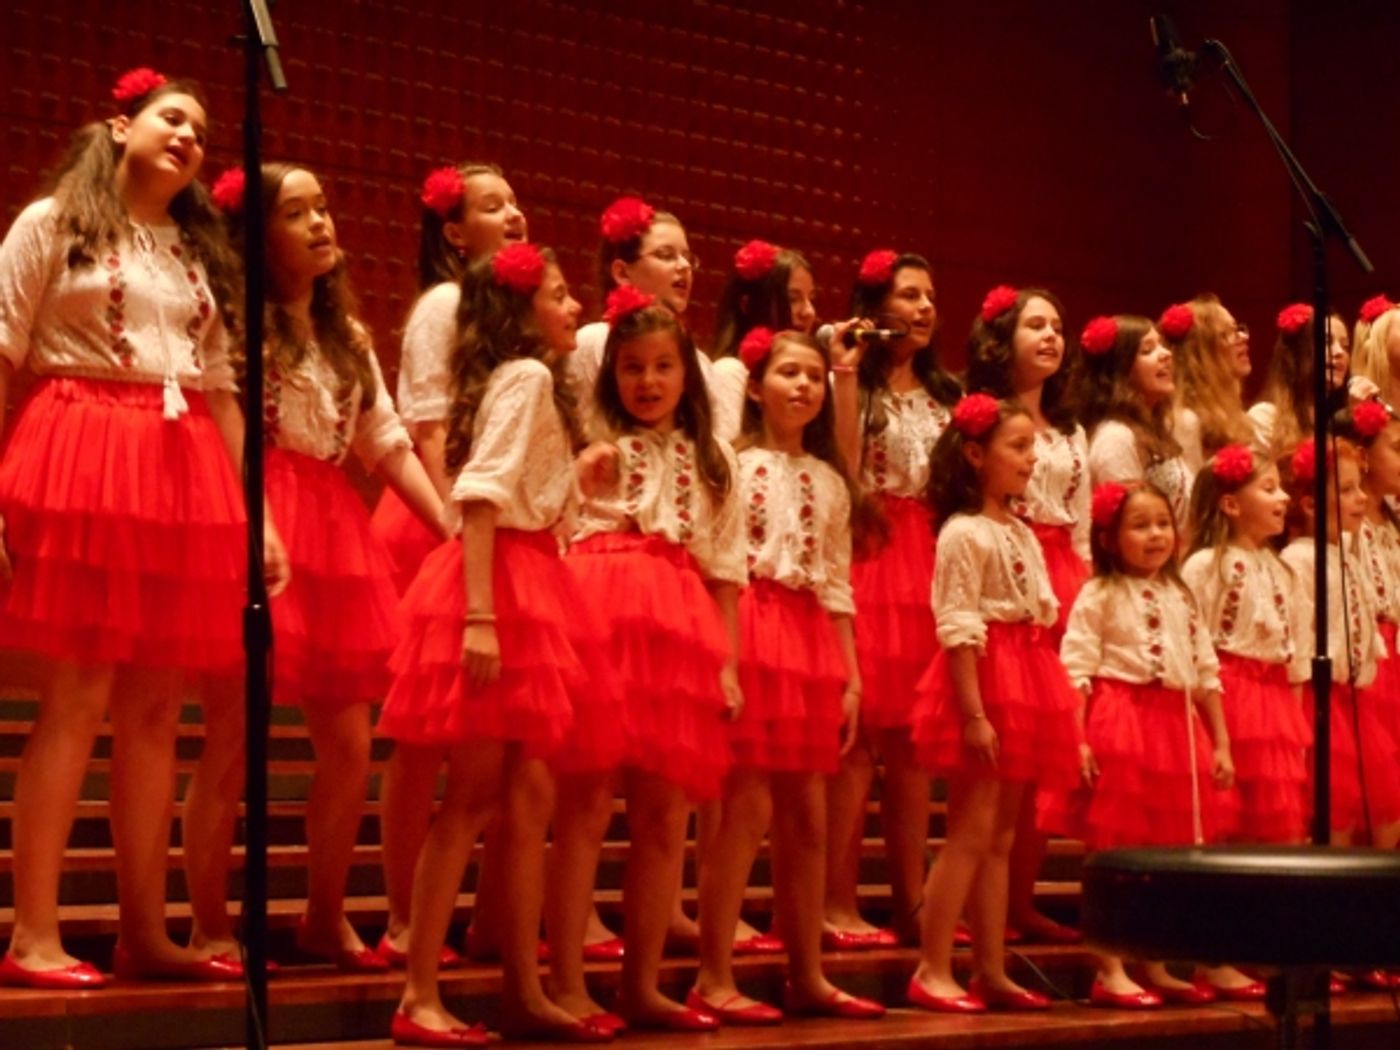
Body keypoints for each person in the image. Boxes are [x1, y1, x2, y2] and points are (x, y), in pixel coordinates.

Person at [0, 67, 287, 988]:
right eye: (173, 117)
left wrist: (257, 517)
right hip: (80, 450)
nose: (190, 136)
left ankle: (143, 930)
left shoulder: (200, 252)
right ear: (119, 126)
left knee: (158, 708)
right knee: (77, 695)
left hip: (180, 469)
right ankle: (33, 934)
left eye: (201, 129)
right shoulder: (51, 224)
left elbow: (221, 391)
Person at [183, 162, 444, 971]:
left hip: (334, 529)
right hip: (252, 510)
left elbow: (387, 441)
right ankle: (207, 924)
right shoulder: (232, 321)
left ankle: (323, 914)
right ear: (259, 234)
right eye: (297, 213)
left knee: (351, 742)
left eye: (323, 207)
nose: (321, 223)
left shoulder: (348, 339)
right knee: (234, 733)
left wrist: (448, 531)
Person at [375, 243, 611, 1045]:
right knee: (473, 794)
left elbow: (524, 489)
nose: (574, 306)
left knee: (524, 797)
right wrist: (479, 615)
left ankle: (524, 986)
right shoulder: (529, 377)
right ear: (521, 310)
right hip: (499, 586)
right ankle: (418, 995)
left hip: (529, 576)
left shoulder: (533, 382)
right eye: (558, 293)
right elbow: (478, 497)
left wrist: (582, 480)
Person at [551, 289, 742, 1033]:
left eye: (664, 367)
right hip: (597, 612)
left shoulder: (711, 459)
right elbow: (555, 524)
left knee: (665, 816)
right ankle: (567, 982)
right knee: (587, 808)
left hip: (678, 627)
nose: (649, 382)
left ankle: (643, 984)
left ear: (687, 378)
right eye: (633, 367)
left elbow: (724, 571)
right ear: (612, 375)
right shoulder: (591, 446)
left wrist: (726, 664)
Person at [690, 328, 884, 1024]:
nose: (803, 386)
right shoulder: (732, 466)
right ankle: (713, 974)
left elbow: (836, 585)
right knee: (745, 811)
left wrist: (853, 675)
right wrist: (728, 660)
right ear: (756, 386)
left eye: (813, 376)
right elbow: (719, 565)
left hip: (810, 641)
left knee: (808, 817)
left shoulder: (832, 482)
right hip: (752, 625)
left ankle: (808, 973)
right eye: (787, 373)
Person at [370, 161, 527, 968]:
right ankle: (402, 913)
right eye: (493, 206)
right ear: (454, 231)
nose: (516, 215)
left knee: (483, 741)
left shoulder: (513, 315)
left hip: (490, 525)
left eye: (515, 202)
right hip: (435, 521)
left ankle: (466, 917)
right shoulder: (444, 304)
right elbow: (426, 428)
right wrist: (452, 534)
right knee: (422, 738)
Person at [906, 395, 1079, 1014]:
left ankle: (990, 968)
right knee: (970, 832)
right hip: (987, 679)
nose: (1031, 459)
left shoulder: (1019, 531)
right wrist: (974, 714)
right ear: (976, 455)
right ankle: (931, 967)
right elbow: (957, 625)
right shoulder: (964, 531)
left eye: (1033, 446)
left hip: (1027, 674)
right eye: (1018, 446)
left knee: (1002, 836)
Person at [1058, 479, 1246, 1006]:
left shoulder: (1179, 594)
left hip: (1175, 725)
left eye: (1163, 523)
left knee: (1167, 846)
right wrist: (1079, 740)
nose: (1155, 534)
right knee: (1114, 847)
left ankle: (1154, 959)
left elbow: (1206, 671)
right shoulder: (1099, 593)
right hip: (1121, 718)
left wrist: (1223, 744)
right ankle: (1109, 965)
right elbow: (1076, 669)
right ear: (1109, 538)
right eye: (1140, 526)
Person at [827, 248, 960, 947]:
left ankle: (915, 904)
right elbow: (845, 466)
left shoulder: (947, 396)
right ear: (876, 306)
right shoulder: (856, 385)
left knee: (913, 751)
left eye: (930, 295)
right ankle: (837, 900)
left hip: (931, 562)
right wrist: (845, 372)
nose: (924, 308)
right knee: (857, 746)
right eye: (910, 294)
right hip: (872, 550)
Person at [1182, 446, 1310, 845]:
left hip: (1275, 709)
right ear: (1231, 504)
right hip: (1226, 701)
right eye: (1269, 488)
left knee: (1274, 828)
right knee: (1226, 820)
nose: (1284, 497)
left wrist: (1296, 728)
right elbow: (1191, 648)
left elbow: (1297, 657)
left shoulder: (1284, 569)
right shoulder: (1204, 565)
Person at [1280, 437, 1400, 850]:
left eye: (1359, 487)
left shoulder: (1346, 552)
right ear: (1311, 505)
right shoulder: (1299, 560)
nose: (1361, 498)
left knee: (1384, 811)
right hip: (1323, 702)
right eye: (1346, 490)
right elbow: (1298, 641)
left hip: (1357, 701)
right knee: (1335, 807)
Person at [1079, 313, 1194, 540]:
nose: (1166, 354)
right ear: (1121, 369)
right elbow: (1128, 527)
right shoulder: (1115, 437)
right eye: (1147, 350)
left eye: (1161, 345)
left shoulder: (1155, 429)